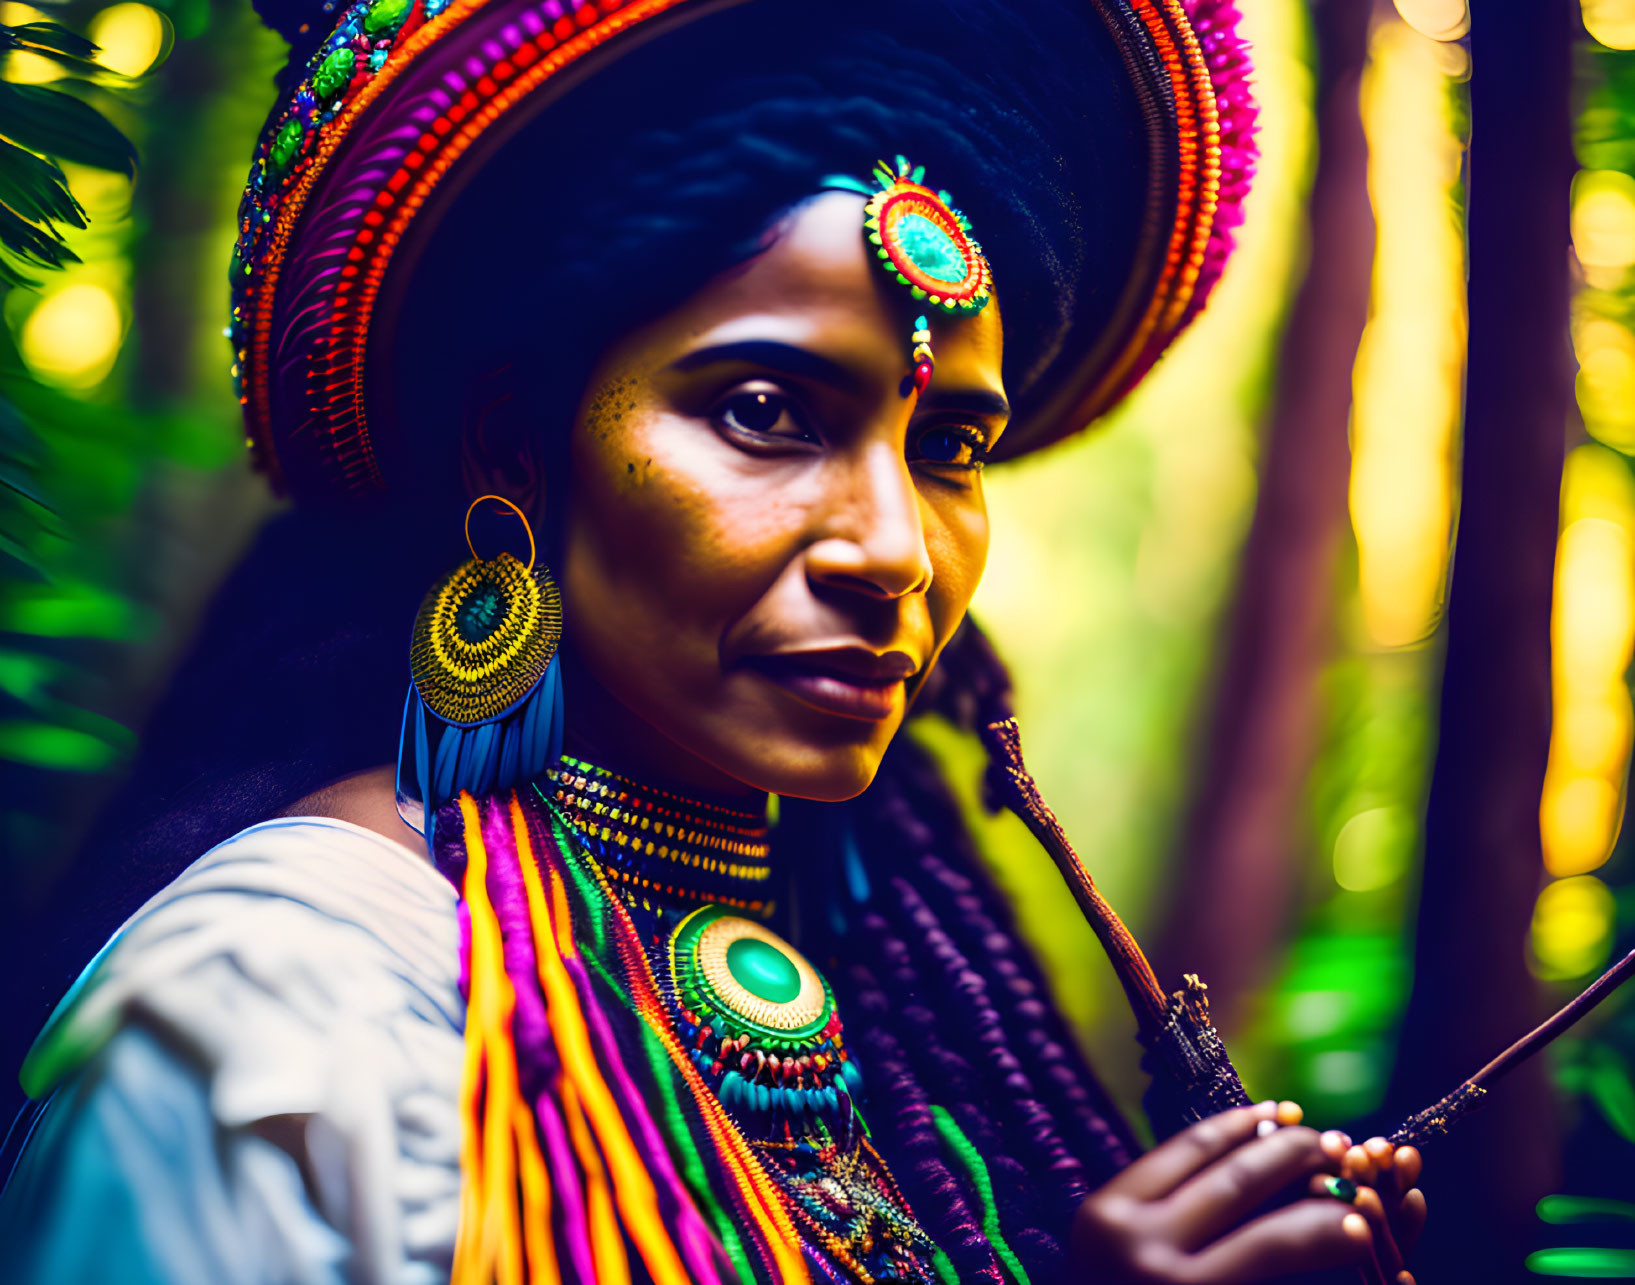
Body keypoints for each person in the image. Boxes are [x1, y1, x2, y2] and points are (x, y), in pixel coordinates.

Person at [0, 0, 1429, 1281]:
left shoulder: (867, 986)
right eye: (763, 408)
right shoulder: (278, 1013)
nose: (893, 549)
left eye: (950, 443)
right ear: (521, 443)